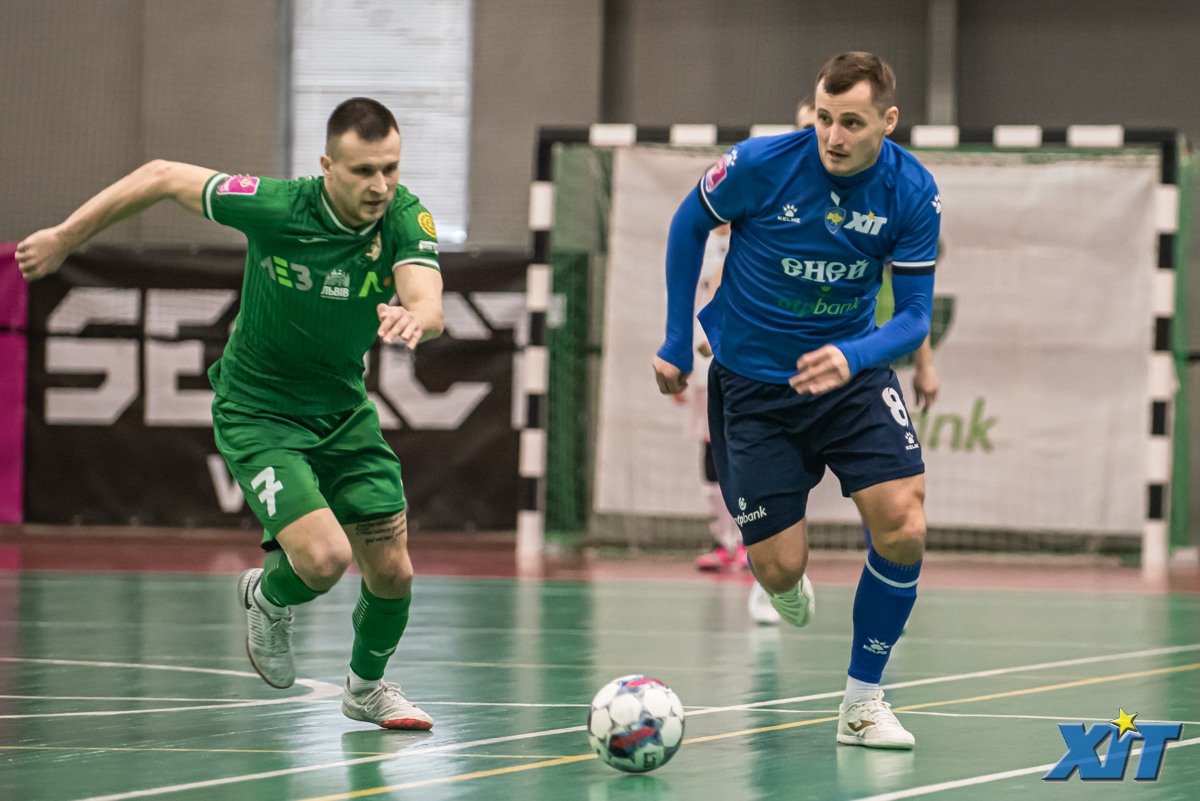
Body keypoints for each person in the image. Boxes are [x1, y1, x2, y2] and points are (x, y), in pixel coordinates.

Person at [16, 98, 443, 731]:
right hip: (259, 413)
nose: (380, 185)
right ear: (328, 166)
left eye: (390, 168)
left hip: (343, 413)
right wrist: (64, 237)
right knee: (324, 560)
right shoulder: (277, 207)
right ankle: (266, 596)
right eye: (363, 171)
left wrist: (418, 317)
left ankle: (366, 689)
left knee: (393, 572)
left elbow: (426, 300)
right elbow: (162, 175)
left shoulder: (405, 217)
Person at [652, 52, 939, 749]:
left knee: (904, 522)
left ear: (888, 121)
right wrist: (674, 340)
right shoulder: (758, 164)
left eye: (852, 123)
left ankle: (862, 703)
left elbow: (914, 316)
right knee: (780, 567)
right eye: (824, 118)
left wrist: (853, 356)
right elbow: (688, 224)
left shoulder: (911, 191)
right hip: (753, 387)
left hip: (850, 380)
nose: (833, 137)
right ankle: (780, 583)